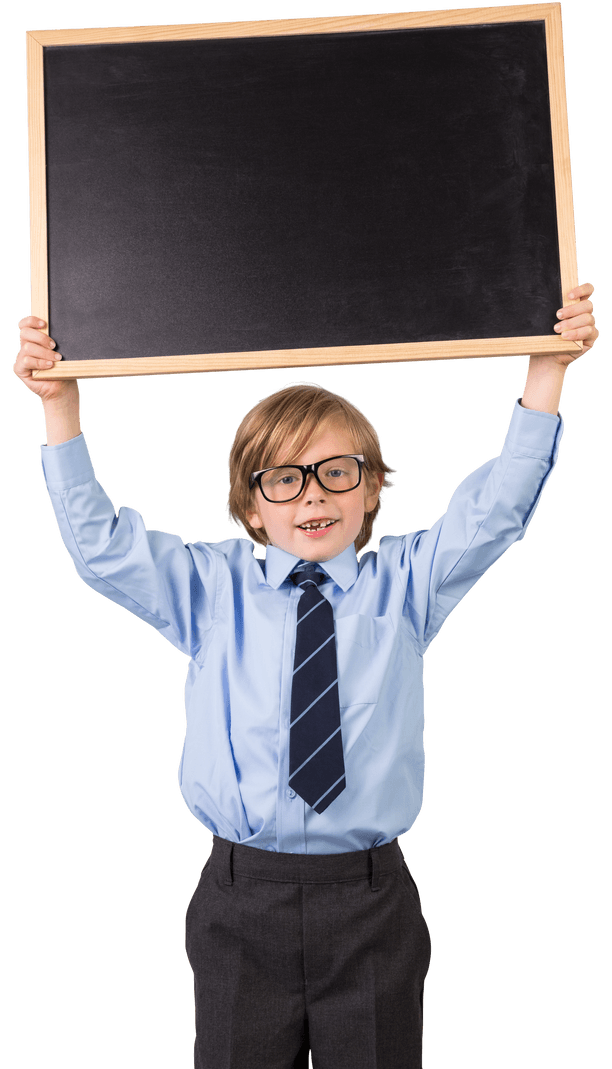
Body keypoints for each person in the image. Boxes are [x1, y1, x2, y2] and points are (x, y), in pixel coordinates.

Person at [13, 287, 598, 1069]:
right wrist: (59, 406)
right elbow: (101, 545)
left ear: (374, 486)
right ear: (252, 507)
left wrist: (547, 370)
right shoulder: (210, 590)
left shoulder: (408, 584)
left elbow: (494, 510)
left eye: (336, 471)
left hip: (371, 905)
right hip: (238, 900)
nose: (313, 493)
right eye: (283, 479)